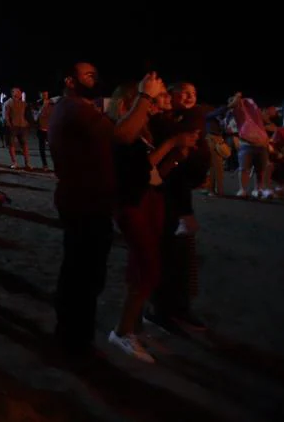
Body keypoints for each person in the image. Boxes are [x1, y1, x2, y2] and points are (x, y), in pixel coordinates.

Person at [48, 63, 163, 357]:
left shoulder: (75, 108)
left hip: (85, 200)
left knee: (81, 272)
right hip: (84, 201)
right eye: (87, 74)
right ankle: (73, 341)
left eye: (95, 73)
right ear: (70, 81)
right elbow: (122, 135)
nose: (94, 77)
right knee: (83, 275)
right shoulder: (75, 109)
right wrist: (145, 97)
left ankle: (72, 336)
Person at [106, 83, 199, 362]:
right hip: (132, 205)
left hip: (148, 200)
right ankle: (122, 332)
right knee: (149, 268)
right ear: (127, 105)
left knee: (140, 268)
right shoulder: (123, 134)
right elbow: (141, 170)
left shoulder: (143, 133)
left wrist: (176, 157)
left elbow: (154, 173)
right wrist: (171, 145)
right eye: (147, 102)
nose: (153, 107)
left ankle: (131, 328)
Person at [148, 82, 210, 333]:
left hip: (182, 198)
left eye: (193, 93)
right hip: (165, 198)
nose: (189, 96)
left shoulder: (187, 120)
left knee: (184, 257)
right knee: (167, 256)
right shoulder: (162, 123)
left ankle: (181, 307)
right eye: (183, 92)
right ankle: (162, 310)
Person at [228, 93, 273, 198]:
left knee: (260, 170)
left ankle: (259, 189)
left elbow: (267, 124)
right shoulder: (235, 113)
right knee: (244, 168)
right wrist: (237, 96)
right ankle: (242, 189)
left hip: (261, 145)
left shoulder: (253, 112)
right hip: (246, 145)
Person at [3, 87, 32, 170]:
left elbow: (27, 114)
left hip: (23, 126)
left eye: (20, 92)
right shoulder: (8, 103)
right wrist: (9, 124)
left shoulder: (23, 103)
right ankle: (14, 163)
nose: (19, 93)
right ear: (13, 93)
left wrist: (27, 123)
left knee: (24, 145)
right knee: (11, 145)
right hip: (13, 126)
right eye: (18, 92)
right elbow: (6, 115)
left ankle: (27, 163)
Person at [34, 90, 54, 171]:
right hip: (41, 128)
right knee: (42, 148)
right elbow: (35, 117)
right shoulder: (37, 104)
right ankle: (45, 165)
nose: (45, 96)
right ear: (40, 95)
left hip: (50, 129)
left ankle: (57, 164)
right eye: (43, 94)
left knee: (53, 148)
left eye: (46, 94)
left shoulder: (52, 103)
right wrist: (42, 107)